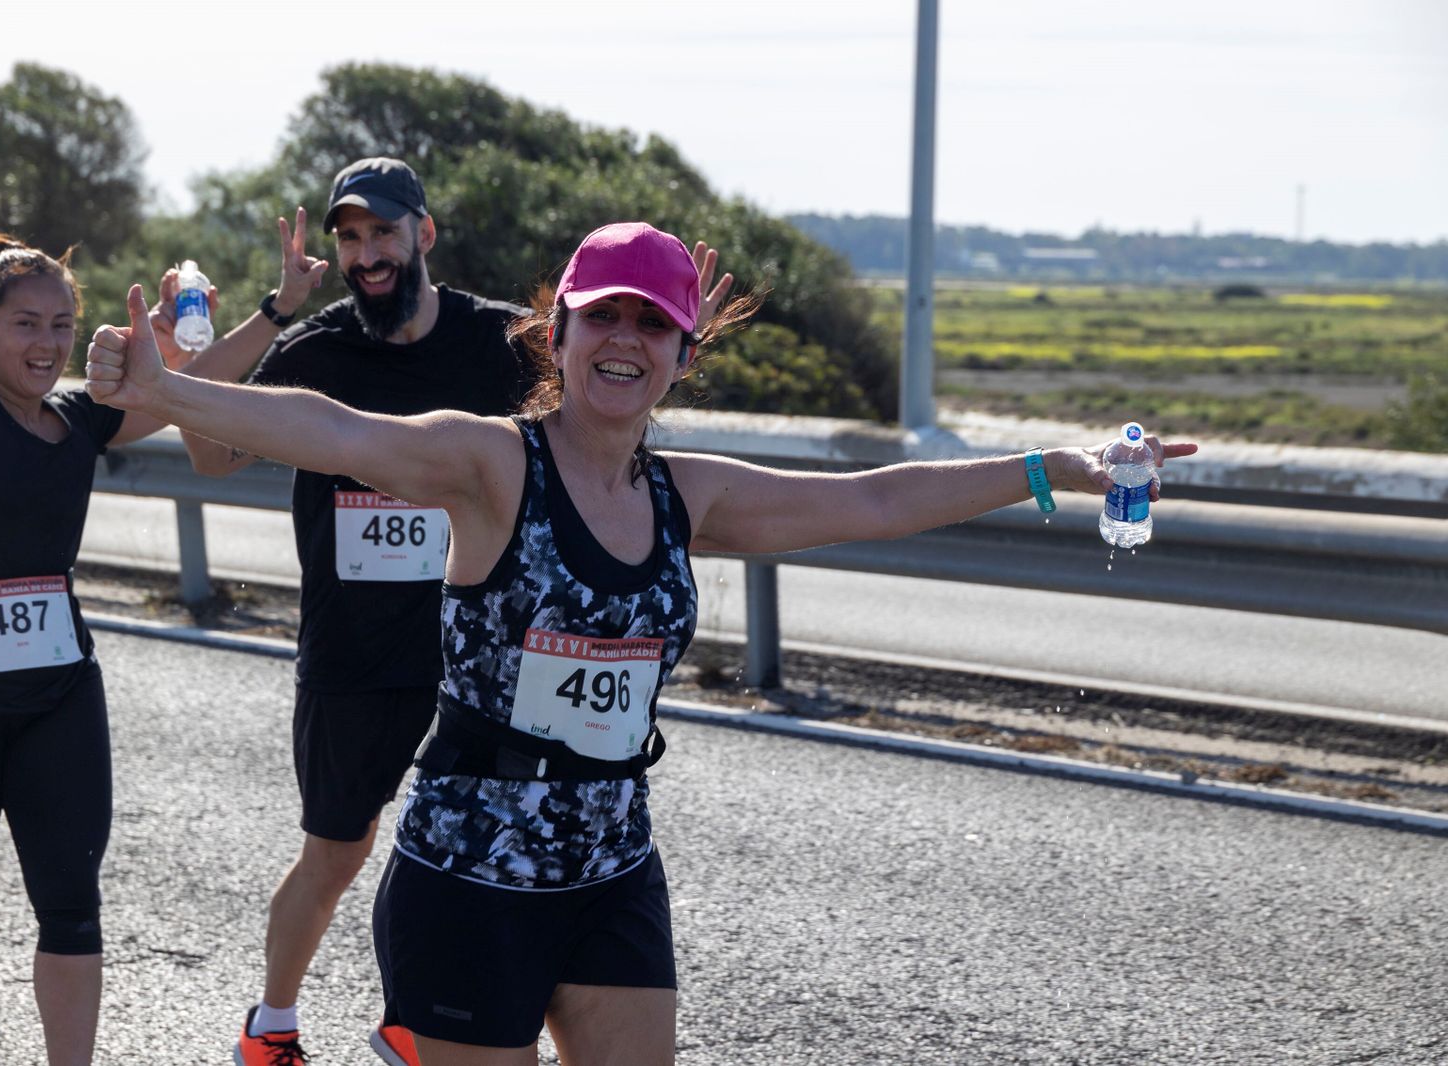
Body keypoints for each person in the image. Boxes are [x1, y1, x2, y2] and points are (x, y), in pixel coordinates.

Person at [84, 220, 1198, 1066]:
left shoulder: (686, 495)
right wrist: (169, 390)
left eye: (653, 323)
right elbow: (332, 430)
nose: (624, 340)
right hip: (470, 874)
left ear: (681, 352)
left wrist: (1052, 466)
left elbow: (872, 499)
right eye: (602, 317)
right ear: (557, 334)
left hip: (612, 868)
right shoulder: (491, 464)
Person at [159, 158, 729, 1066]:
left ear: (423, 234)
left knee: (472, 833)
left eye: (384, 232)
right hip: (358, 651)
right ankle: (274, 1023)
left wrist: (664, 316)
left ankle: (423, 1021)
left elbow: (595, 380)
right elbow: (209, 451)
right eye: (351, 238)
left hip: (480, 658)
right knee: (336, 855)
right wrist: (265, 315)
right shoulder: (317, 346)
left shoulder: (499, 339)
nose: (367, 253)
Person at [0, 221, 324, 1066]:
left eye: (61, 324)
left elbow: (193, 387)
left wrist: (277, 309)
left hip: (60, 693)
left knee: (72, 904)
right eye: (25, 323)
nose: (46, 343)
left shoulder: (79, 420)